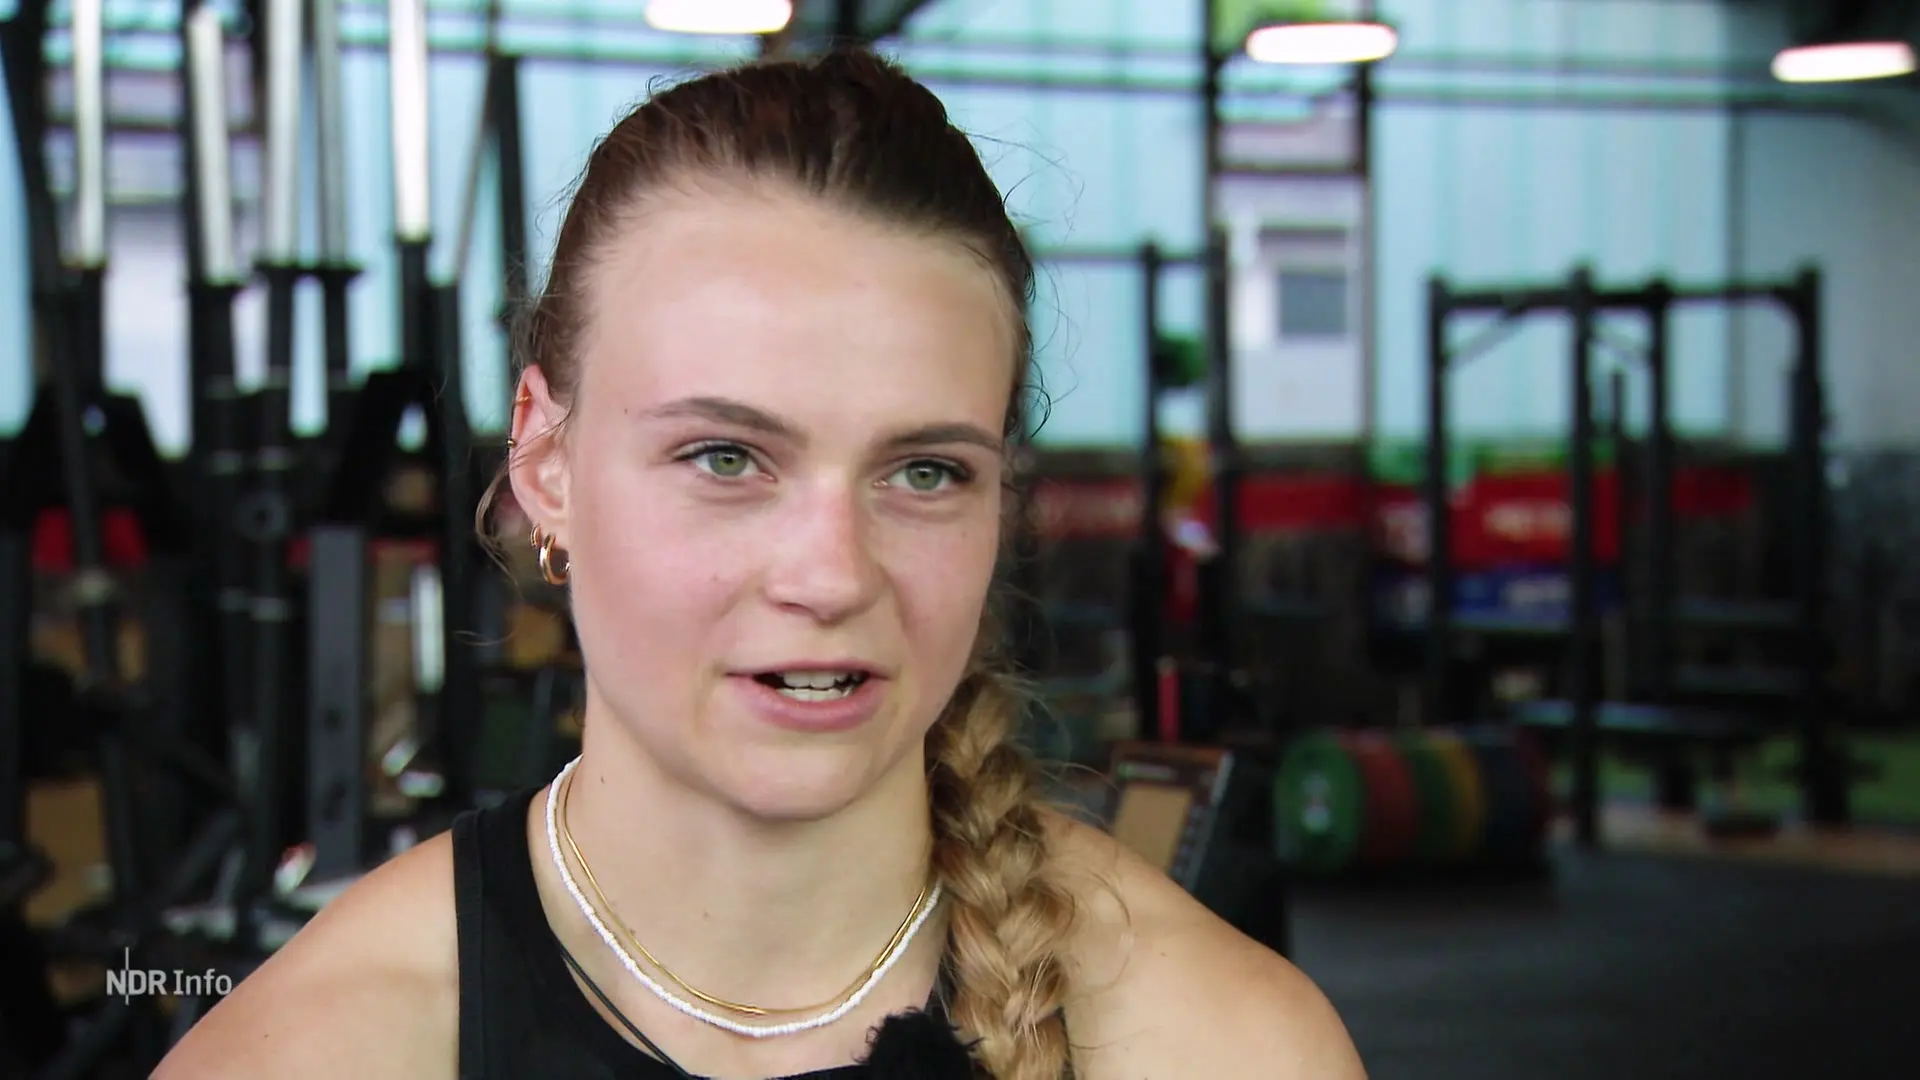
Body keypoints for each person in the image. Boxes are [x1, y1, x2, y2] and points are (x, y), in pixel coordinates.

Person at [155, 49, 1366, 1080]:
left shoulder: (1223, 1044)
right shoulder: (320, 1049)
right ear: (545, 461)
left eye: (924, 472)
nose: (831, 576)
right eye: (726, 457)